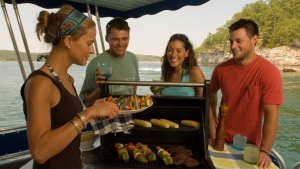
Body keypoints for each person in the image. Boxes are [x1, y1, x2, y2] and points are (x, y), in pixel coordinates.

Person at [20, 5, 119, 168]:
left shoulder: (67, 79)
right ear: (68, 41)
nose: (92, 50)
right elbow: (39, 152)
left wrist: (94, 109)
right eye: (89, 43)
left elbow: (63, 121)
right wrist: (89, 113)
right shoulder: (40, 84)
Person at [209, 19, 283, 169]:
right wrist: (212, 128)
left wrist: (265, 151)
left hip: (250, 147)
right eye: (231, 41)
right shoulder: (221, 69)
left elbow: (271, 116)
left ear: (254, 39)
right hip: (219, 141)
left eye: (239, 41)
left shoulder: (269, 73)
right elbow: (210, 97)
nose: (233, 46)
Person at [79, 17, 140, 106]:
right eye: (115, 39)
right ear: (107, 38)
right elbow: (86, 102)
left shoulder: (133, 58)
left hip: (129, 114)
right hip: (105, 117)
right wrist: (100, 89)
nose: (120, 43)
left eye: (124, 39)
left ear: (129, 38)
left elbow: (134, 87)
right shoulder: (95, 64)